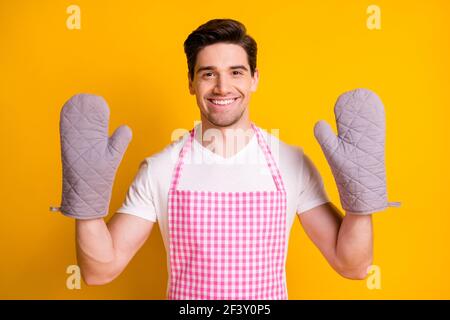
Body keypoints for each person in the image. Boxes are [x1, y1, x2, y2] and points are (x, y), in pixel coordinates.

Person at [74, 19, 373, 300]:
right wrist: (85, 201)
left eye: (236, 72)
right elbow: (99, 271)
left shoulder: (290, 163)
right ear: (191, 82)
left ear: (255, 79)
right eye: (208, 73)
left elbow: (352, 266)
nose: (222, 87)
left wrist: (360, 197)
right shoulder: (160, 169)